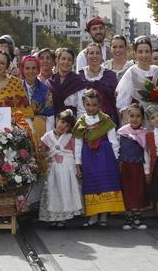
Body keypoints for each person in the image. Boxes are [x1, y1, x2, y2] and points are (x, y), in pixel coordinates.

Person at [74, 89, 125, 227]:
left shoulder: (105, 119)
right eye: (88, 105)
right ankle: (93, 215)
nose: (91, 108)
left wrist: (116, 159)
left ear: (99, 104)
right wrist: (77, 163)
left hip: (105, 155)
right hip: (88, 156)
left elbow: (113, 140)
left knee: (105, 182)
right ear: (83, 104)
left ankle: (104, 216)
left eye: (94, 105)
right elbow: (78, 144)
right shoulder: (80, 122)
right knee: (92, 184)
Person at [39, 110, 83, 228]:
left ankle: (63, 217)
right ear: (57, 120)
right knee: (53, 192)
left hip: (67, 170)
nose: (63, 126)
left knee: (65, 192)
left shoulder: (70, 138)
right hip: (53, 169)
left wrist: (78, 169)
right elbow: (41, 152)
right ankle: (53, 217)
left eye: (67, 125)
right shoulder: (47, 137)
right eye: (62, 122)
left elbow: (75, 154)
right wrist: (44, 159)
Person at [115, 37, 158, 121]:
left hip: (156, 117)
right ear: (135, 53)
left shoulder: (157, 71)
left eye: (147, 51)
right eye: (140, 52)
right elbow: (124, 102)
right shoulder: (131, 72)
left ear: (151, 53)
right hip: (137, 118)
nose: (144, 55)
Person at [116, 105, 150, 230]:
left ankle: (137, 217)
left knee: (138, 191)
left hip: (138, 166)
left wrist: (147, 170)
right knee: (127, 191)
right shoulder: (121, 132)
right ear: (126, 117)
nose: (135, 119)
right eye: (132, 116)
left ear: (142, 118)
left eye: (138, 116)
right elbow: (117, 149)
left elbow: (146, 153)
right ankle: (129, 217)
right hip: (125, 166)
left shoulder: (144, 133)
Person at [20, 55, 55, 140]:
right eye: (27, 68)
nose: (30, 71)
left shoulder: (45, 89)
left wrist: (47, 138)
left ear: (38, 70)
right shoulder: (17, 87)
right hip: (20, 130)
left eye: (34, 68)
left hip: (40, 130)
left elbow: (50, 114)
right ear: (22, 70)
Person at [49, 48, 87, 116]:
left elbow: (82, 109)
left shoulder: (78, 82)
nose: (66, 62)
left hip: (72, 119)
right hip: (52, 119)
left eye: (69, 60)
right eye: (63, 59)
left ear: (73, 63)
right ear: (58, 61)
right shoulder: (50, 81)